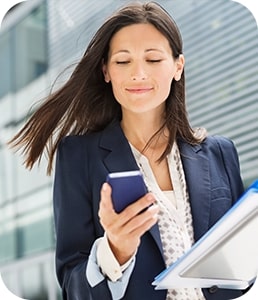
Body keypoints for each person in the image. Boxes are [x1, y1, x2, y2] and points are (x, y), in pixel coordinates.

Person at [9, 2, 246, 300]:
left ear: (177, 66)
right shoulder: (79, 157)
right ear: (106, 71)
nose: (138, 73)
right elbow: (73, 288)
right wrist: (114, 251)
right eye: (123, 62)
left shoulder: (219, 153)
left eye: (153, 59)